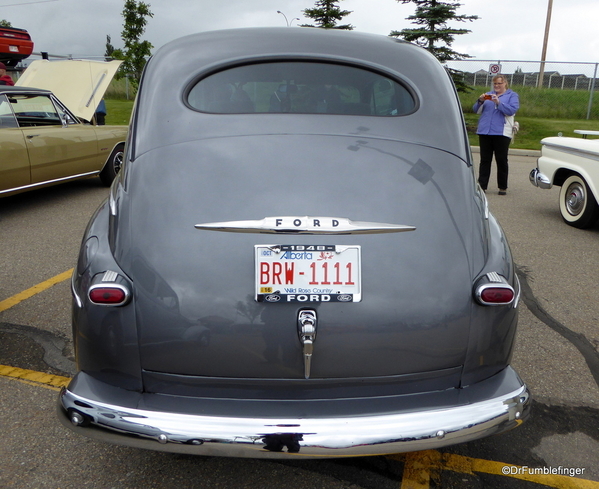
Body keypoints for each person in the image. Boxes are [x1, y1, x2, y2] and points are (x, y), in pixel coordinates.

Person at [472, 75, 519, 195]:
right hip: (485, 131)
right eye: (495, 84)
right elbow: (476, 110)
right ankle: (482, 186)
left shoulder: (512, 96)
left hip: (501, 132)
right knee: (485, 160)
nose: (497, 86)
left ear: (505, 84)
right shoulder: (488, 94)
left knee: (501, 159)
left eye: (499, 83)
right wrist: (480, 101)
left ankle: (502, 187)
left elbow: (511, 110)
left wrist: (498, 102)